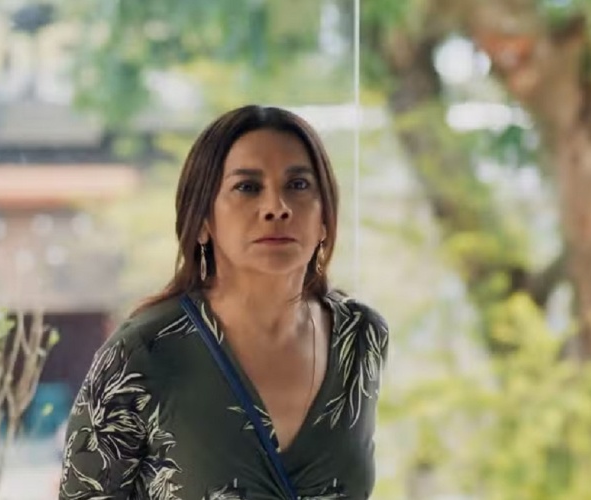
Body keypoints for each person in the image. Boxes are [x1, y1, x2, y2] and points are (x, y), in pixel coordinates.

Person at [57, 105, 390, 500]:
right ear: (202, 221)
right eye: (247, 187)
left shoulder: (361, 337)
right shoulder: (145, 351)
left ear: (324, 218)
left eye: (298, 184)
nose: (276, 207)